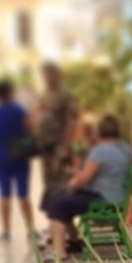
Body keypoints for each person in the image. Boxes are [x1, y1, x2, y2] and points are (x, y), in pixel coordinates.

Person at [43, 114, 132, 259]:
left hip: (102, 199)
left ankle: (58, 252)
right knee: (64, 200)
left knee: (58, 205)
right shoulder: (124, 148)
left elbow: (83, 179)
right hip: (116, 196)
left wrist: (73, 183)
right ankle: (73, 242)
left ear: (99, 131)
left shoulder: (100, 151)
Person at [0, 79, 35, 242]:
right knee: (23, 194)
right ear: (10, 92)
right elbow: (30, 126)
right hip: (19, 154)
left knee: (4, 195)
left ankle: (6, 231)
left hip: (0, 155)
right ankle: (30, 230)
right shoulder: (19, 110)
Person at [33, 62, 78, 204]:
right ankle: (54, 222)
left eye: (48, 74)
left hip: (58, 145)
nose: (46, 78)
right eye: (44, 75)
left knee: (61, 185)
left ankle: (64, 223)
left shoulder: (65, 94)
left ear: (56, 74)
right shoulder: (45, 93)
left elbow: (72, 121)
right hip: (45, 145)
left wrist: (65, 147)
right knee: (49, 185)